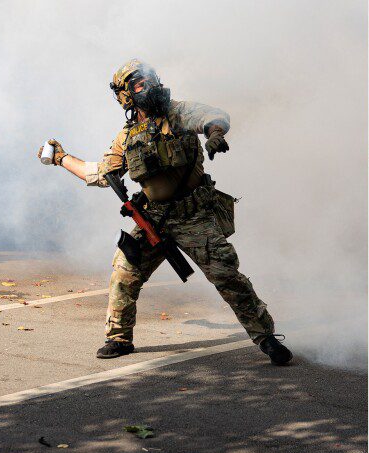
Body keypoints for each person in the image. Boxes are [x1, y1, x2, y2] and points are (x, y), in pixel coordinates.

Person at [37, 59, 292, 365]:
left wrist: (214, 134)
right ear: (126, 95)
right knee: (125, 271)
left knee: (226, 275)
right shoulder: (126, 137)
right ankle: (119, 338)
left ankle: (265, 337)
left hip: (194, 216)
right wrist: (61, 158)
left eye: (151, 79)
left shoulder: (178, 113)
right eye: (139, 83)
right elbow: (100, 175)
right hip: (154, 219)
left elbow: (214, 116)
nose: (149, 86)